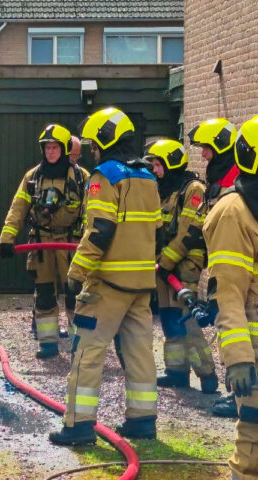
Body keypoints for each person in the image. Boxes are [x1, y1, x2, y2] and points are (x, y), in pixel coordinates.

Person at [49, 107, 162, 445]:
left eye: (95, 143)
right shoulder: (148, 178)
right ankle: (143, 421)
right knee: (139, 351)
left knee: (87, 351)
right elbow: (157, 228)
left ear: (105, 139)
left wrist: (77, 271)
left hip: (108, 283)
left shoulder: (104, 176)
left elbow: (99, 230)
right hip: (142, 284)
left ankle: (79, 426)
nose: (93, 150)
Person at [0, 124, 86, 358]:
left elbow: (91, 211)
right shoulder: (32, 177)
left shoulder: (80, 177)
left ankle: (81, 344)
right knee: (45, 294)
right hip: (41, 244)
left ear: (65, 149)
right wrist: (7, 238)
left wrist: (89, 242)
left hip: (71, 245)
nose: (50, 152)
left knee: (75, 294)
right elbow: (18, 208)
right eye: (47, 147)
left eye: (55, 147)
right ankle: (48, 342)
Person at [202, 117, 258, 479]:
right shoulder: (234, 213)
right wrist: (238, 360)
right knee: (253, 444)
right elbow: (229, 295)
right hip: (253, 349)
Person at [144, 139, 217, 393]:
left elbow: (188, 233)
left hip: (185, 264)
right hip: (164, 265)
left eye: (158, 164)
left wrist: (165, 262)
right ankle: (176, 371)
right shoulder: (163, 190)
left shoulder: (192, 189)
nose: (154, 170)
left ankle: (207, 375)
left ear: (172, 163)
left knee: (187, 321)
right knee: (169, 318)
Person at [188, 118, 240, 417]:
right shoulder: (219, 176)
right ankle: (238, 393)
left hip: (236, 264)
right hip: (225, 261)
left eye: (207, 148)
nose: (204, 154)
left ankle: (240, 397)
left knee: (239, 331)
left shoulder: (234, 178)